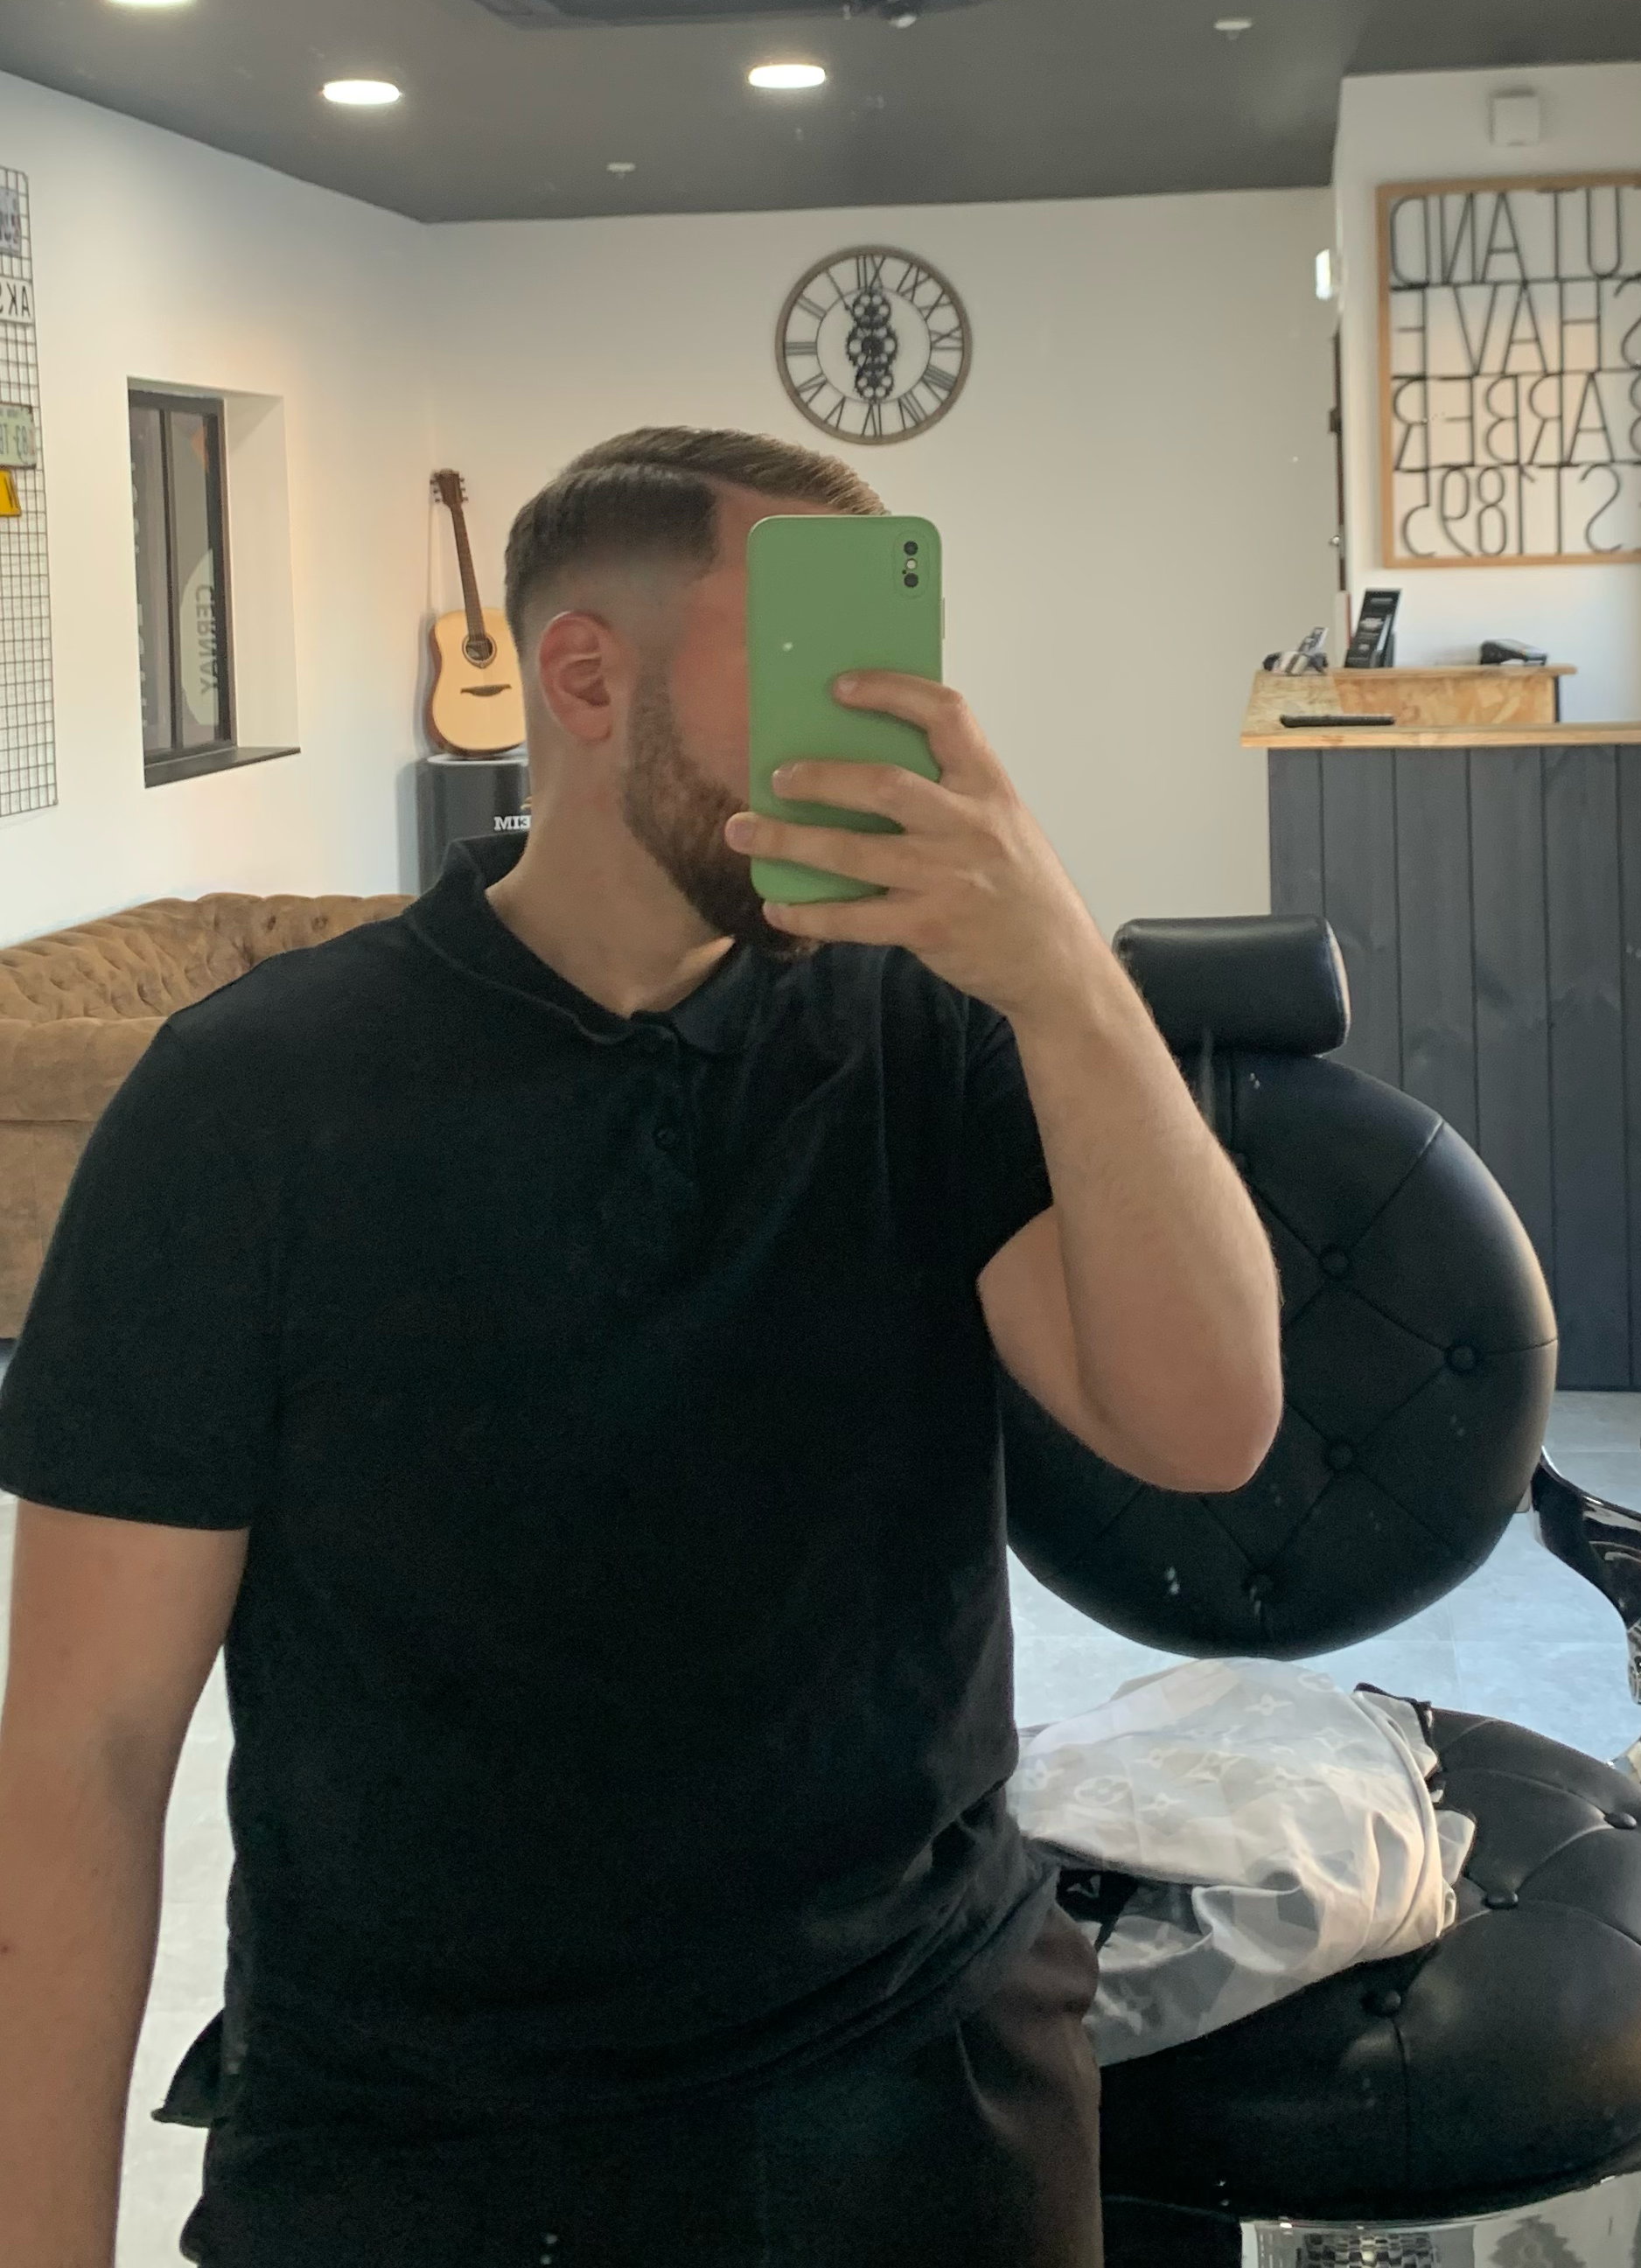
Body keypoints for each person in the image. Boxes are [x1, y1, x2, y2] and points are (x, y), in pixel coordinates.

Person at [0, 426, 1283, 2267]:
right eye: (810, 657)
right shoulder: (251, 1105)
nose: (881, 723)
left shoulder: (930, 1033)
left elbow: (1208, 1422)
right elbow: (87, 1749)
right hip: (424, 2135)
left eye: (895, 658)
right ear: (586, 677)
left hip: (922, 2068)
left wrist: (1065, 970)